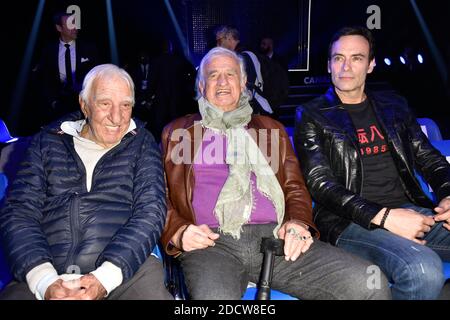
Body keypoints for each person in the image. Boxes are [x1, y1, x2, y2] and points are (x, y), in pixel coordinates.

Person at [160, 47, 391, 300]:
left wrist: (298, 222)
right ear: (201, 86)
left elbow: (295, 187)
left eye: (230, 74)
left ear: (244, 82)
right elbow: (160, 197)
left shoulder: (270, 130)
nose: (223, 81)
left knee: (371, 283)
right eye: (213, 75)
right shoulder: (179, 133)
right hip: (211, 244)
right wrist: (179, 230)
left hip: (277, 239)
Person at [295, 26, 450, 300]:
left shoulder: (394, 106)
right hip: (349, 222)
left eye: (356, 58)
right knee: (423, 270)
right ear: (329, 64)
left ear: (370, 65)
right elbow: (321, 185)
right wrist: (387, 218)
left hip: (410, 210)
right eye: (338, 58)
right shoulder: (312, 115)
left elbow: (428, 158)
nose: (345, 67)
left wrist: (447, 195)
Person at [0, 64, 172, 300]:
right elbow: (19, 212)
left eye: (125, 105)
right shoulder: (45, 143)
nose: (117, 117)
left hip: (124, 271)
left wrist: (104, 278)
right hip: (49, 269)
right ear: (84, 105)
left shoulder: (142, 143)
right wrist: (44, 280)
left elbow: (150, 212)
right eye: (105, 104)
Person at [35, 11, 99, 125]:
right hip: (59, 106)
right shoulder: (48, 51)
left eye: (75, 23)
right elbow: (44, 79)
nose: (75, 27)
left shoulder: (89, 48)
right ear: (59, 28)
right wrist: (53, 101)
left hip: (83, 103)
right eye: (70, 24)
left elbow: (97, 75)